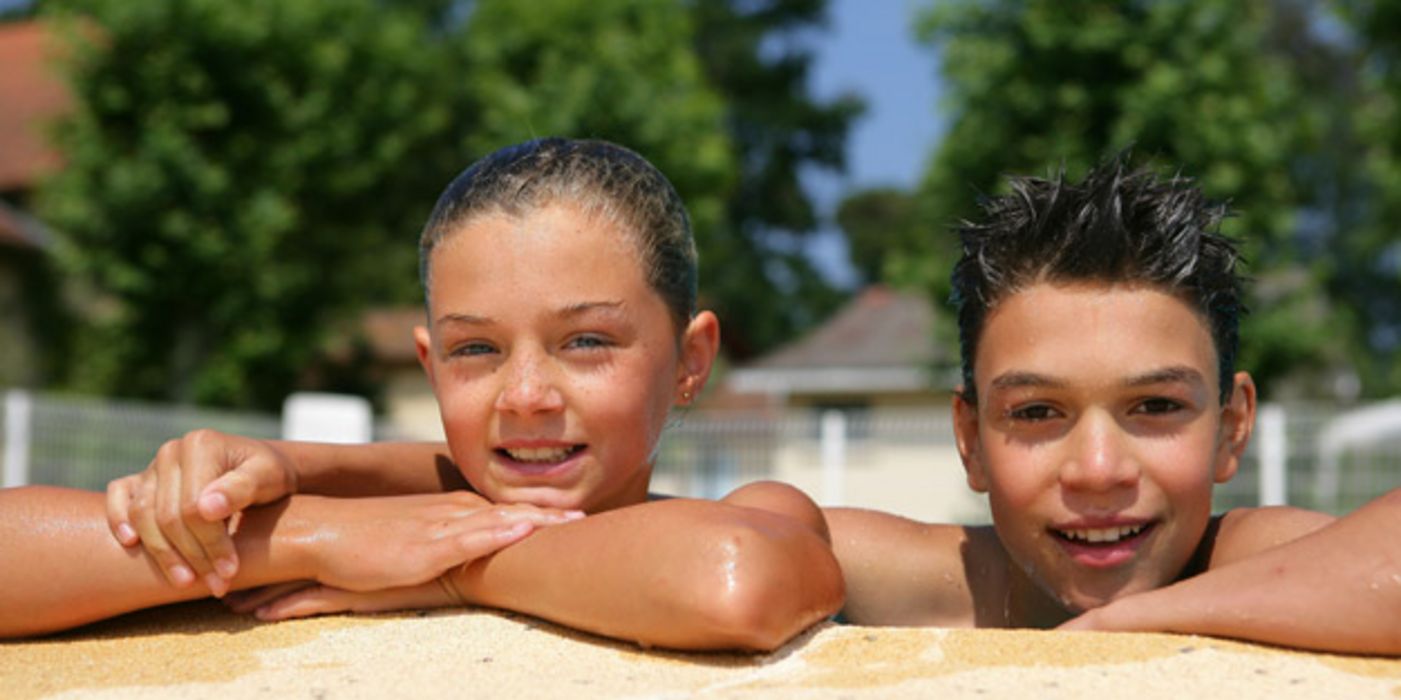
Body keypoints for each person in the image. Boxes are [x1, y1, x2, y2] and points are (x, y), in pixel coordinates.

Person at [0, 138, 844, 649]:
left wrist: (454, 576)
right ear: (430, 362)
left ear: (692, 359)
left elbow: (737, 582)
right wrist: (318, 530)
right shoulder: (400, 513)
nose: (524, 395)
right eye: (474, 348)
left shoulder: (755, 509)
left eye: (586, 341)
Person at [828, 158, 1401, 655]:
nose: (1099, 472)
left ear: (1231, 428)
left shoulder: (1245, 557)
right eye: (1036, 412)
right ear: (970, 439)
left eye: (1155, 405)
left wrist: (1119, 623)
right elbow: (743, 575)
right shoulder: (938, 581)